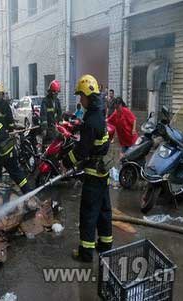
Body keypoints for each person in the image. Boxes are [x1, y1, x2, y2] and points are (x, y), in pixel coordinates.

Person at [62, 74, 112, 263]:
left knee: (89, 213)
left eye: (80, 96)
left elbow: (82, 151)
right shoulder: (98, 113)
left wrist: (67, 161)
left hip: (93, 173)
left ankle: (85, 253)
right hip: (103, 170)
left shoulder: (91, 120)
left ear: (88, 96)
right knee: (104, 210)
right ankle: (105, 245)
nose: (80, 100)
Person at [40, 80, 62, 148]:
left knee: (56, 145)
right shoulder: (45, 101)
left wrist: (60, 125)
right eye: (55, 93)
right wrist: (44, 129)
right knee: (47, 146)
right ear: (51, 92)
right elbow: (43, 115)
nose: (56, 95)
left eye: (57, 93)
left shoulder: (57, 101)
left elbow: (59, 113)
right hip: (48, 128)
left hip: (55, 128)